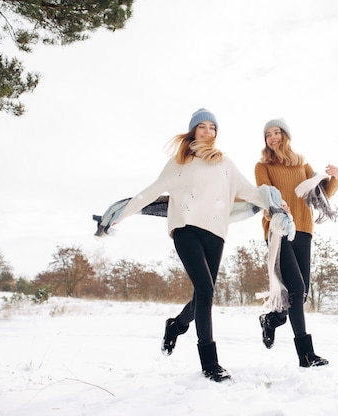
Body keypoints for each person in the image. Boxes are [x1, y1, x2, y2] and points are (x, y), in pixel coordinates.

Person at [112, 109, 290, 382]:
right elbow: (150, 191)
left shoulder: (225, 164)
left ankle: (176, 325)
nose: (208, 132)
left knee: (201, 297)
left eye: (212, 128)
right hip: (186, 230)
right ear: (193, 131)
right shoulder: (179, 162)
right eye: (202, 127)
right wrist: (120, 214)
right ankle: (210, 364)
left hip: (216, 234)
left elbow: (251, 192)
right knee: (206, 291)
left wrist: (275, 204)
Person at [254, 118, 338, 368]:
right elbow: (263, 192)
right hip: (279, 231)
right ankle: (306, 354)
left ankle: (271, 320)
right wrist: (275, 202)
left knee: (300, 295)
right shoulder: (263, 165)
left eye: (277, 132)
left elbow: (320, 193)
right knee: (296, 287)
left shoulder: (302, 164)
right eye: (268, 134)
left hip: (304, 230)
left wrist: (334, 177)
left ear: (285, 135)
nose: (272, 137)